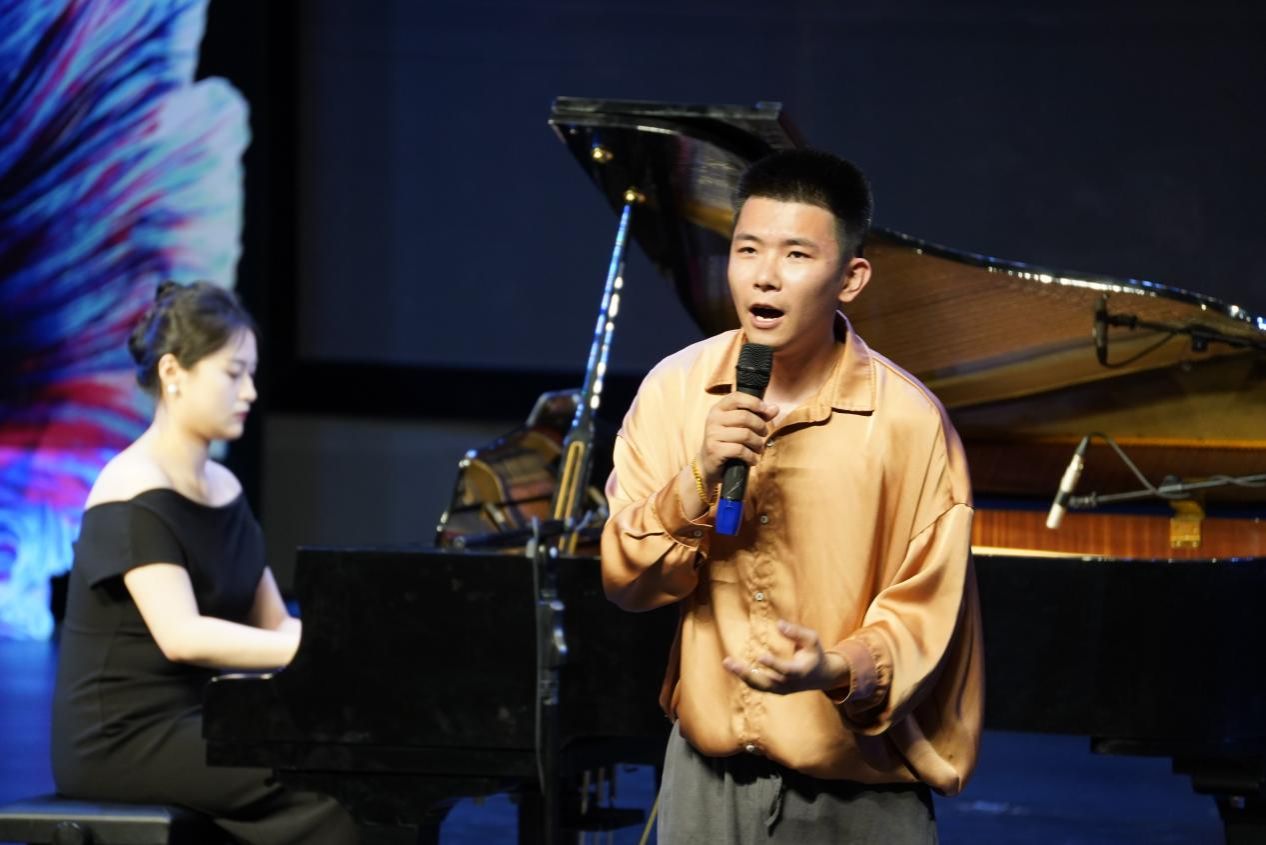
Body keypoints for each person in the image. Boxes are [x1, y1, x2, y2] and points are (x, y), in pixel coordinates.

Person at [600, 150, 984, 843]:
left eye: (796, 254)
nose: (765, 276)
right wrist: (698, 476)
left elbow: (929, 619)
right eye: (747, 249)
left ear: (851, 277)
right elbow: (627, 580)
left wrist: (832, 667)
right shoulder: (675, 390)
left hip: (857, 793)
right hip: (704, 783)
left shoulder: (909, 423)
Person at [51, 281, 358, 844]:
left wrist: (352, 651)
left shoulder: (225, 488)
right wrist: (319, 653)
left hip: (204, 719)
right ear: (173, 373)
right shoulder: (130, 489)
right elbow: (182, 637)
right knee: (325, 789)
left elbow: (274, 623)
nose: (250, 392)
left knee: (359, 760)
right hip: (124, 736)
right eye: (234, 373)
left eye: (252, 374)